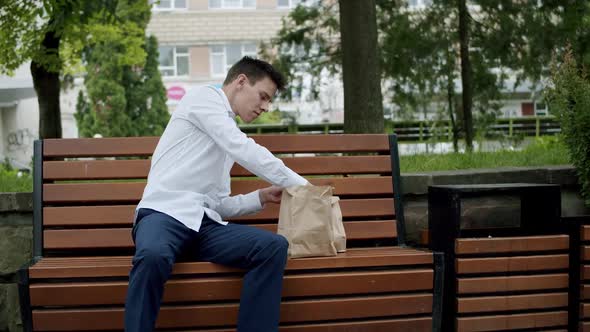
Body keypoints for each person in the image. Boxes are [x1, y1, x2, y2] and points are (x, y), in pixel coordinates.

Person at [124, 56, 308, 332]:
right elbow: (244, 148)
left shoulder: (224, 133)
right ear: (241, 81)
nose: (265, 107)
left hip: (202, 226)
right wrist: (303, 187)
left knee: (272, 247)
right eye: (262, 97)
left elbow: (218, 205)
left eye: (268, 101)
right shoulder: (203, 99)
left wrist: (260, 197)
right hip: (162, 215)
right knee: (153, 255)